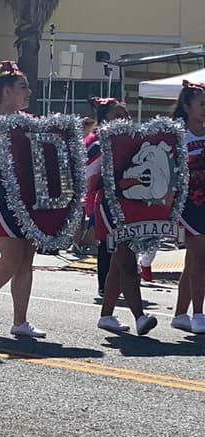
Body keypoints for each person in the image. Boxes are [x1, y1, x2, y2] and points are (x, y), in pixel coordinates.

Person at [0, 60, 45, 338]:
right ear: (5, 92)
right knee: (12, 256)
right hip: (0, 195)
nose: (29, 92)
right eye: (22, 87)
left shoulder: (33, 124)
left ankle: (20, 321)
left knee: (27, 257)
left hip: (28, 197)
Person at [85, 97, 156, 335]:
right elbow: (87, 175)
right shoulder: (98, 144)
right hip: (109, 208)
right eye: (118, 115)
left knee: (118, 263)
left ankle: (106, 315)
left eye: (126, 115)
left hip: (130, 206)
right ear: (105, 120)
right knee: (127, 262)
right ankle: (140, 316)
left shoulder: (135, 141)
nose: (125, 119)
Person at [172, 82, 205, 333]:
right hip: (187, 205)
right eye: (201, 104)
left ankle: (180, 314)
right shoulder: (176, 136)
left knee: (193, 260)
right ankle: (198, 314)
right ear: (186, 106)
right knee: (200, 258)